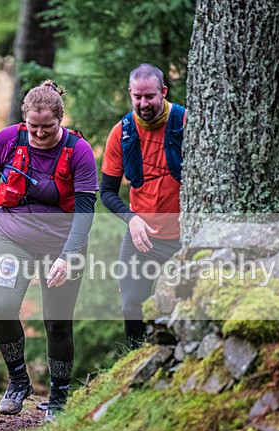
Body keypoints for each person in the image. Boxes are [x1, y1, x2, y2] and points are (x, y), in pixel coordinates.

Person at [0, 80, 98, 420]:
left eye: (48, 128)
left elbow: (86, 211)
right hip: (12, 238)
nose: (40, 134)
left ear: (60, 120)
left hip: (63, 244)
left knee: (57, 322)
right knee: (2, 306)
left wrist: (68, 257)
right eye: (33, 127)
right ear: (24, 119)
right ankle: (18, 381)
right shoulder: (7, 141)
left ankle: (59, 398)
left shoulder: (79, 151)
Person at [100, 64, 185, 347]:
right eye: (137, 97)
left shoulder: (185, 122)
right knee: (131, 306)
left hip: (185, 237)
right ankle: (134, 360)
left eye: (150, 96)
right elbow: (107, 192)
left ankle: (177, 358)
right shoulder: (121, 133)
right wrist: (131, 219)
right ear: (130, 94)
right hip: (142, 237)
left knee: (184, 304)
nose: (143, 103)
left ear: (163, 92)